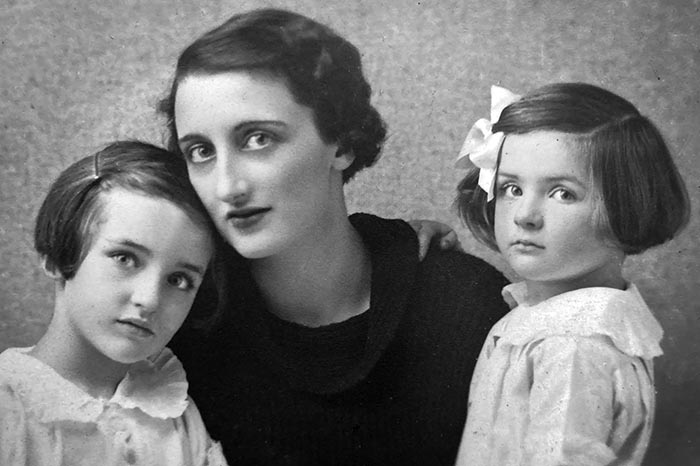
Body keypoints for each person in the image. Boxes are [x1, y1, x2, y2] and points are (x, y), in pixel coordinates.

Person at [159, 8, 510, 465]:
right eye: (201, 151)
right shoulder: (184, 321)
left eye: (258, 139)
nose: (228, 187)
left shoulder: (461, 304)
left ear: (341, 144)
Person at [453, 83, 690, 465]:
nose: (524, 215)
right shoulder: (550, 321)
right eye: (511, 188)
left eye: (562, 193)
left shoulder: (572, 345)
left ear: (627, 206)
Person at [0, 141, 227, 466]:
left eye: (179, 280)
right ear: (55, 255)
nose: (149, 300)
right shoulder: (9, 412)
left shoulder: (174, 415)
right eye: (125, 258)